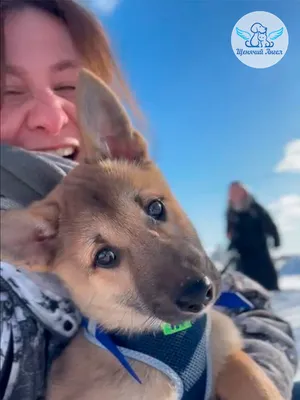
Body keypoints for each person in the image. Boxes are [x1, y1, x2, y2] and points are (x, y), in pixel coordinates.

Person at [0, 1, 298, 399]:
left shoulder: (110, 174)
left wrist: (241, 371)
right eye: (9, 91)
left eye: (68, 85)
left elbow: (249, 303)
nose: (52, 117)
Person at [226, 181, 281, 291]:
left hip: (259, 248)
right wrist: (231, 243)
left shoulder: (255, 208)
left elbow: (269, 223)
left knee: (266, 277)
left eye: (238, 191)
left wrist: (276, 239)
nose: (235, 194)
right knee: (246, 280)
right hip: (242, 252)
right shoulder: (231, 212)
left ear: (244, 192)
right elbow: (230, 230)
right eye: (233, 192)